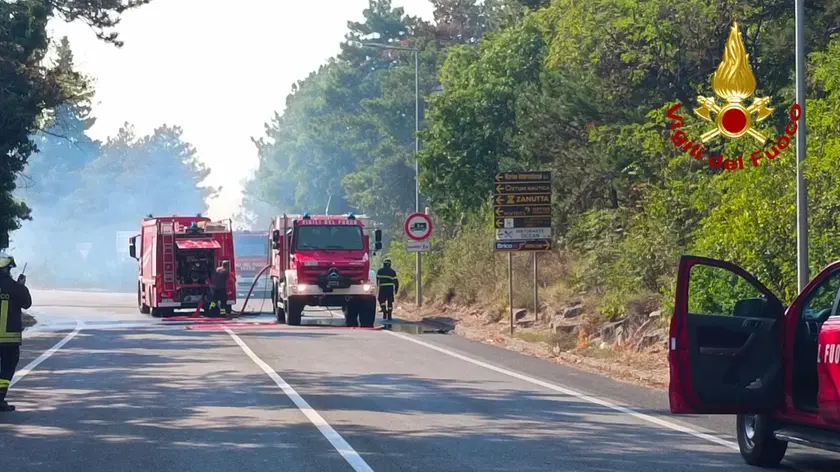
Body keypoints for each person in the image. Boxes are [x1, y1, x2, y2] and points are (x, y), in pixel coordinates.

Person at [0, 254, 31, 412]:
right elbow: (26, 303)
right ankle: (0, 398)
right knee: (6, 368)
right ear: (7, 269)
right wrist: (21, 286)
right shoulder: (15, 287)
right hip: (8, 339)